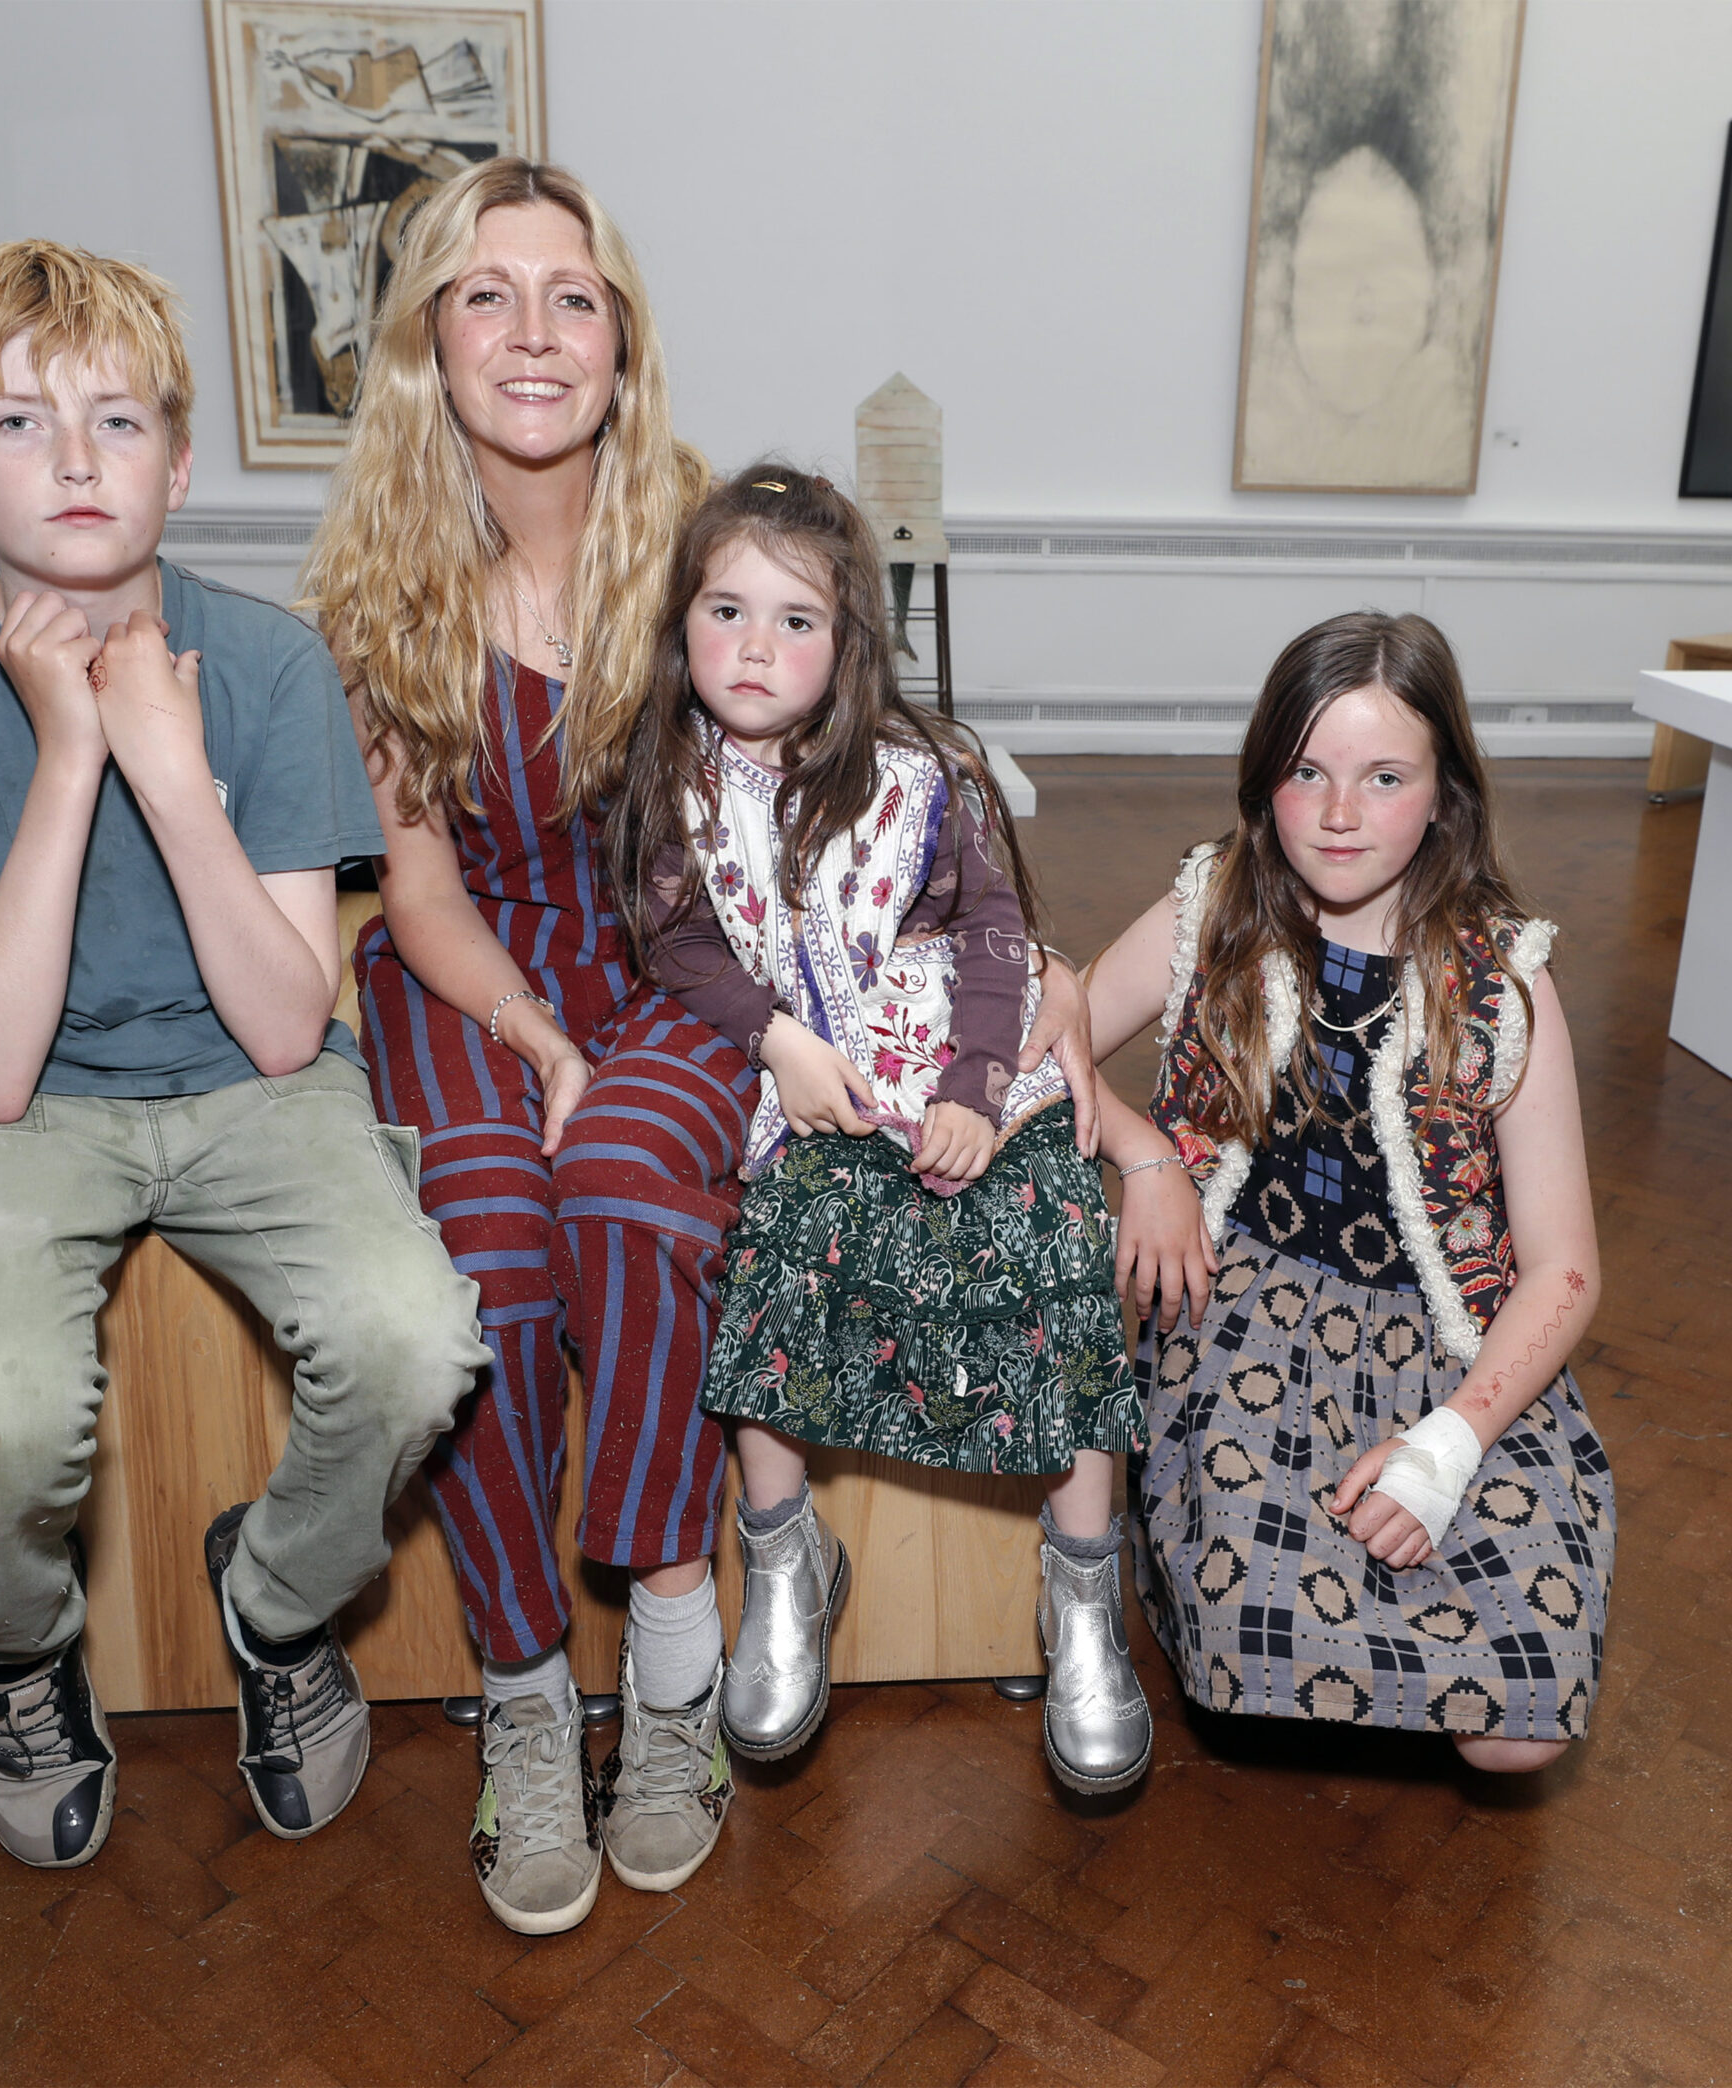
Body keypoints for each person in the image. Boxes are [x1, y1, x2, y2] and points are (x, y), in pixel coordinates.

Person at [306, 159, 1102, 1936]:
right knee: (484, 1249)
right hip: (471, 975)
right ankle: (526, 1691)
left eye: (571, 296)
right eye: (488, 293)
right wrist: (533, 1037)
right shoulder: (382, 583)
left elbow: (862, 763)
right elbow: (416, 888)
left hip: (685, 968)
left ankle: (672, 1651)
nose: (533, 331)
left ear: (622, 339)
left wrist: (1008, 948)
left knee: (625, 1192)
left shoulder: (696, 543)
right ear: (431, 337)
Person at [0, 241, 486, 1870]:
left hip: (251, 1085)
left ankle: (275, 1603)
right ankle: (18, 1648)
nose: (74, 459)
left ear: (177, 463)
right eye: (17, 421)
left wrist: (172, 774)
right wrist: (70, 756)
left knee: (413, 1343)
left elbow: (282, 1024)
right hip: (28, 1108)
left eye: (116, 421)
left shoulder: (267, 665)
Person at [602, 465, 1147, 1796]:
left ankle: (1083, 1588)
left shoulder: (923, 773)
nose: (754, 647)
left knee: (1057, 1232)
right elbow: (676, 939)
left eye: (794, 620)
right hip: (810, 1073)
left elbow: (995, 930)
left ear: (846, 645)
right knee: (773, 1248)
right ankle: (784, 1556)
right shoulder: (665, 774)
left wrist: (973, 1084)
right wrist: (773, 1039)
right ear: (681, 624)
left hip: (946, 1052)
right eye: (725, 612)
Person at [1086, 612, 1613, 1772]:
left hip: (1449, 1342)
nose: (1337, 813)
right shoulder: (1211, 911)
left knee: (1516, 1738)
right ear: (1263, 780)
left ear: (1443, 794)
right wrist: (1145, 1153)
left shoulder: (1502, 985)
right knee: (1258, 1643)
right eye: (1305, 772)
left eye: (1382, 778)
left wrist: (1445, 1449)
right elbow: (1046, 1038)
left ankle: (1387, 1652)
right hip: (1245, 1319)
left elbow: (1565, 1268)